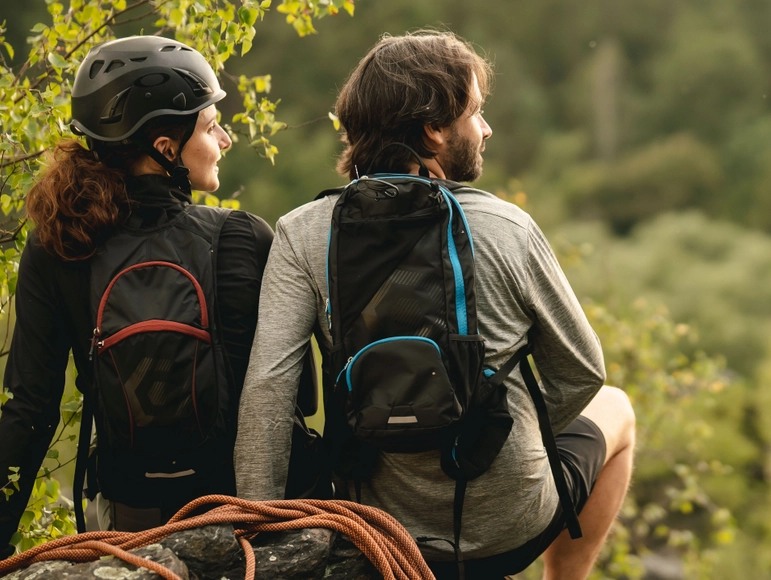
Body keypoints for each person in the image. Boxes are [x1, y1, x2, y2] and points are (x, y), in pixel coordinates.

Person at [235, 31, 636, 580]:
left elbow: (267, 394)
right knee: (618, 408)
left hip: (378, 535)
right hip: (509, 529)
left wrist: (264, 536)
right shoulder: (508, 227)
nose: (486, 128)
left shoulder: (303, 233)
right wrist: (497, 431)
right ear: (434, 129)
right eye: (475, 112)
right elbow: (583, 371)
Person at [0, 36, 274, 567]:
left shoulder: (57, 246)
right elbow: (279, 401)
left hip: (129, 522)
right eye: (210, 125)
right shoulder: (242, 239)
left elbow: (30, 412)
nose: (225, 139)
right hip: (239, 522)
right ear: (164, 147)